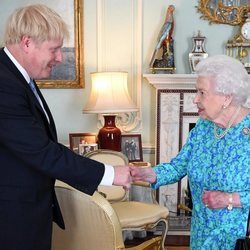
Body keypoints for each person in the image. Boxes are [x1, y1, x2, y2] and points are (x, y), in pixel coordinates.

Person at [0, 4, 131, 250]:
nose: (60, 57)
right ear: (27, 42)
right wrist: (111, 174)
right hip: (10, 218)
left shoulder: (19, 78)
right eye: (55, 49)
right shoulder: (4, 83)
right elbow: (42, 151)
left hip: (26, 212)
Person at [131, 55, 250, 249]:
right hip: (202, 234)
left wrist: (230, 199)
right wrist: (150, 174)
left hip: (238, 238)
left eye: (202, 92)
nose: (195, 99)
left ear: (226, 97)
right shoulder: (203, 127)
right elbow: (179, 166)